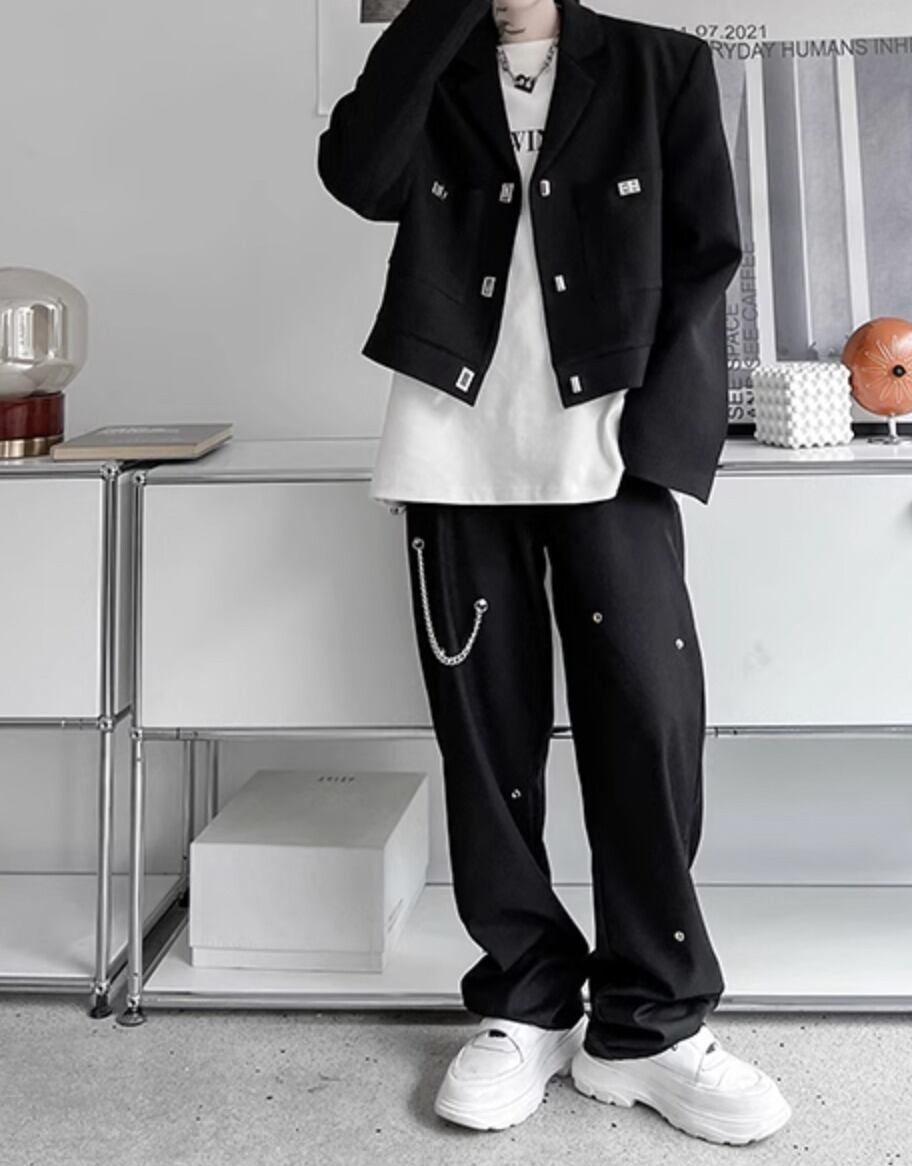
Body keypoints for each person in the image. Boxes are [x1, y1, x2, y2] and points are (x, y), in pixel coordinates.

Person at [318, 0, 792, 1146]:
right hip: (451, 446)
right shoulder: (431, 63)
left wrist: (662, 445)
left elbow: (706, 253)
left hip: (608, 447)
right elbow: (358, 175)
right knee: (486, 740)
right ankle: (524, 999)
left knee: (649, 721)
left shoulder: (658, 66)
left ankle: (648, 1023)